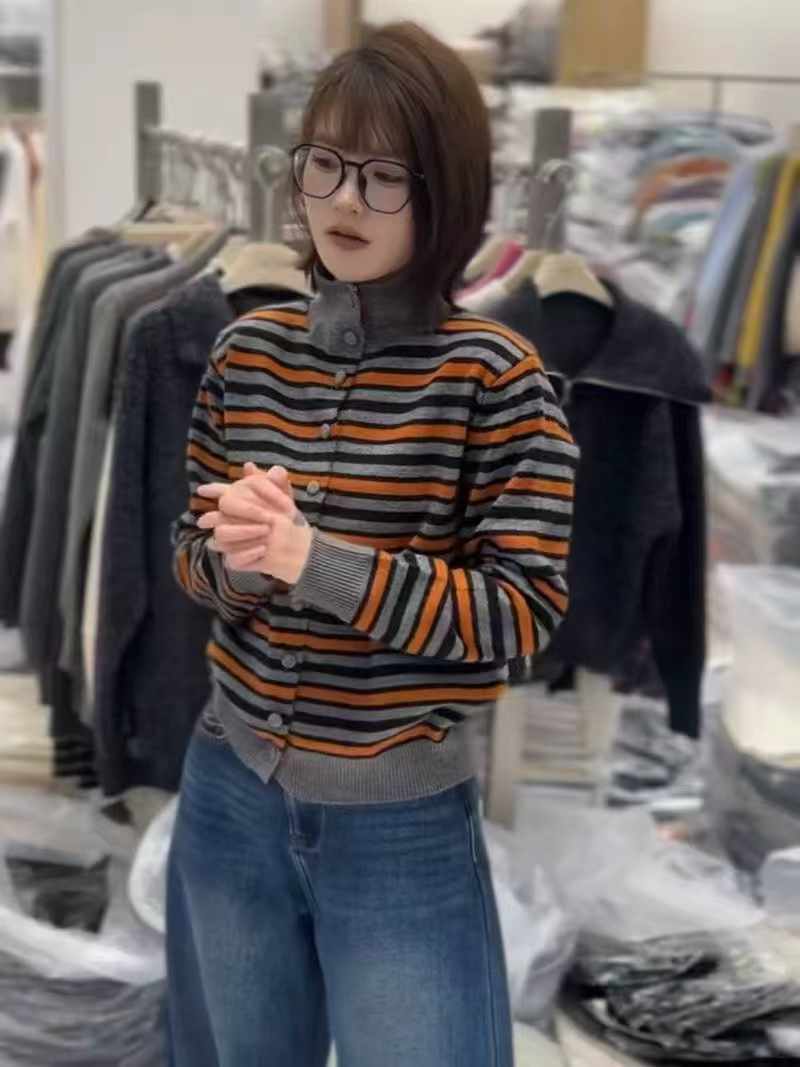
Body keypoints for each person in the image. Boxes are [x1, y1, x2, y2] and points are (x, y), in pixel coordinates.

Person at [167, 20, 577, 1067]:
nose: (346, 200)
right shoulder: (247, 352)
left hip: (398, 818)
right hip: (229, 788)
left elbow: (519, 613)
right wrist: (237, 563)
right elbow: (189, 557)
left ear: (446, 192)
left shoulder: (495, 378)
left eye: (386, 175)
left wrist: (317, 562)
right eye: (326, 164)